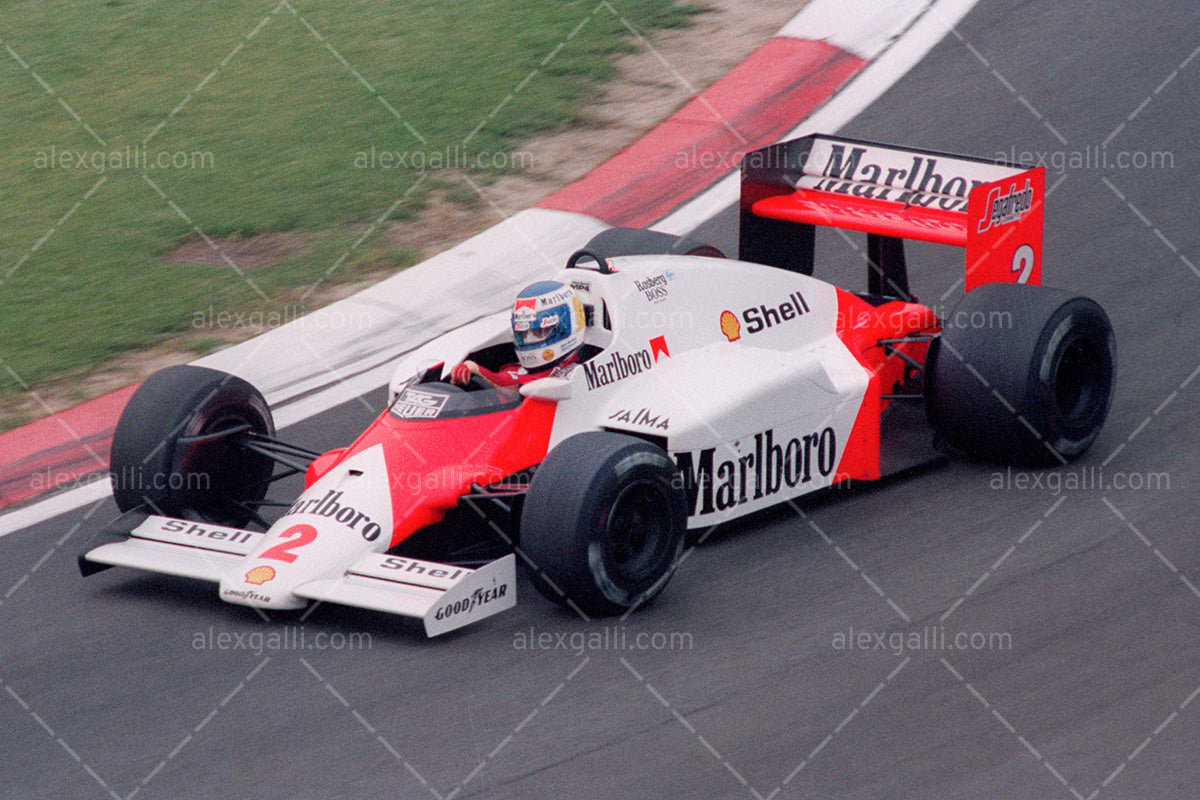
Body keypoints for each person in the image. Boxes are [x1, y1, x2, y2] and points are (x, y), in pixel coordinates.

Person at [449, 280, 586, 388]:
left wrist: (478, 370)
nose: (528, 339)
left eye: (538, 332)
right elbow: (510, 379)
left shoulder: (574, 374)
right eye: (522, 334)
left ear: (565, 327)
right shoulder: (523, 369)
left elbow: (519, 387)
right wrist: (473, 370)